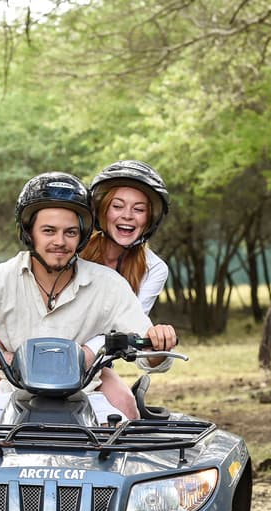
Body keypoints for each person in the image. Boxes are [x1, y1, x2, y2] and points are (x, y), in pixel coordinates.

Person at [0, 172, 177, 423]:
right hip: (10, 390)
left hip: (88, 394)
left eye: (70, 232)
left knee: (120, 439)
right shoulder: (1, 278)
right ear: (29, 233)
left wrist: (157, 343)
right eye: (49, 231)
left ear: (83, 235)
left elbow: (149, 352)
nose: (60, 241)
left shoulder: (110, 285)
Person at [80, 160, 171, 419]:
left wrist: (154, 345)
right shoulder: (74, 251)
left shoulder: (154, 269)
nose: (127, 215)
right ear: (101, 212)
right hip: (45, 351)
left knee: (128, 408)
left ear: (150, 219)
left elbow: (131, 324)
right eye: (117, 206)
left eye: (139, 209)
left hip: (94, 362)